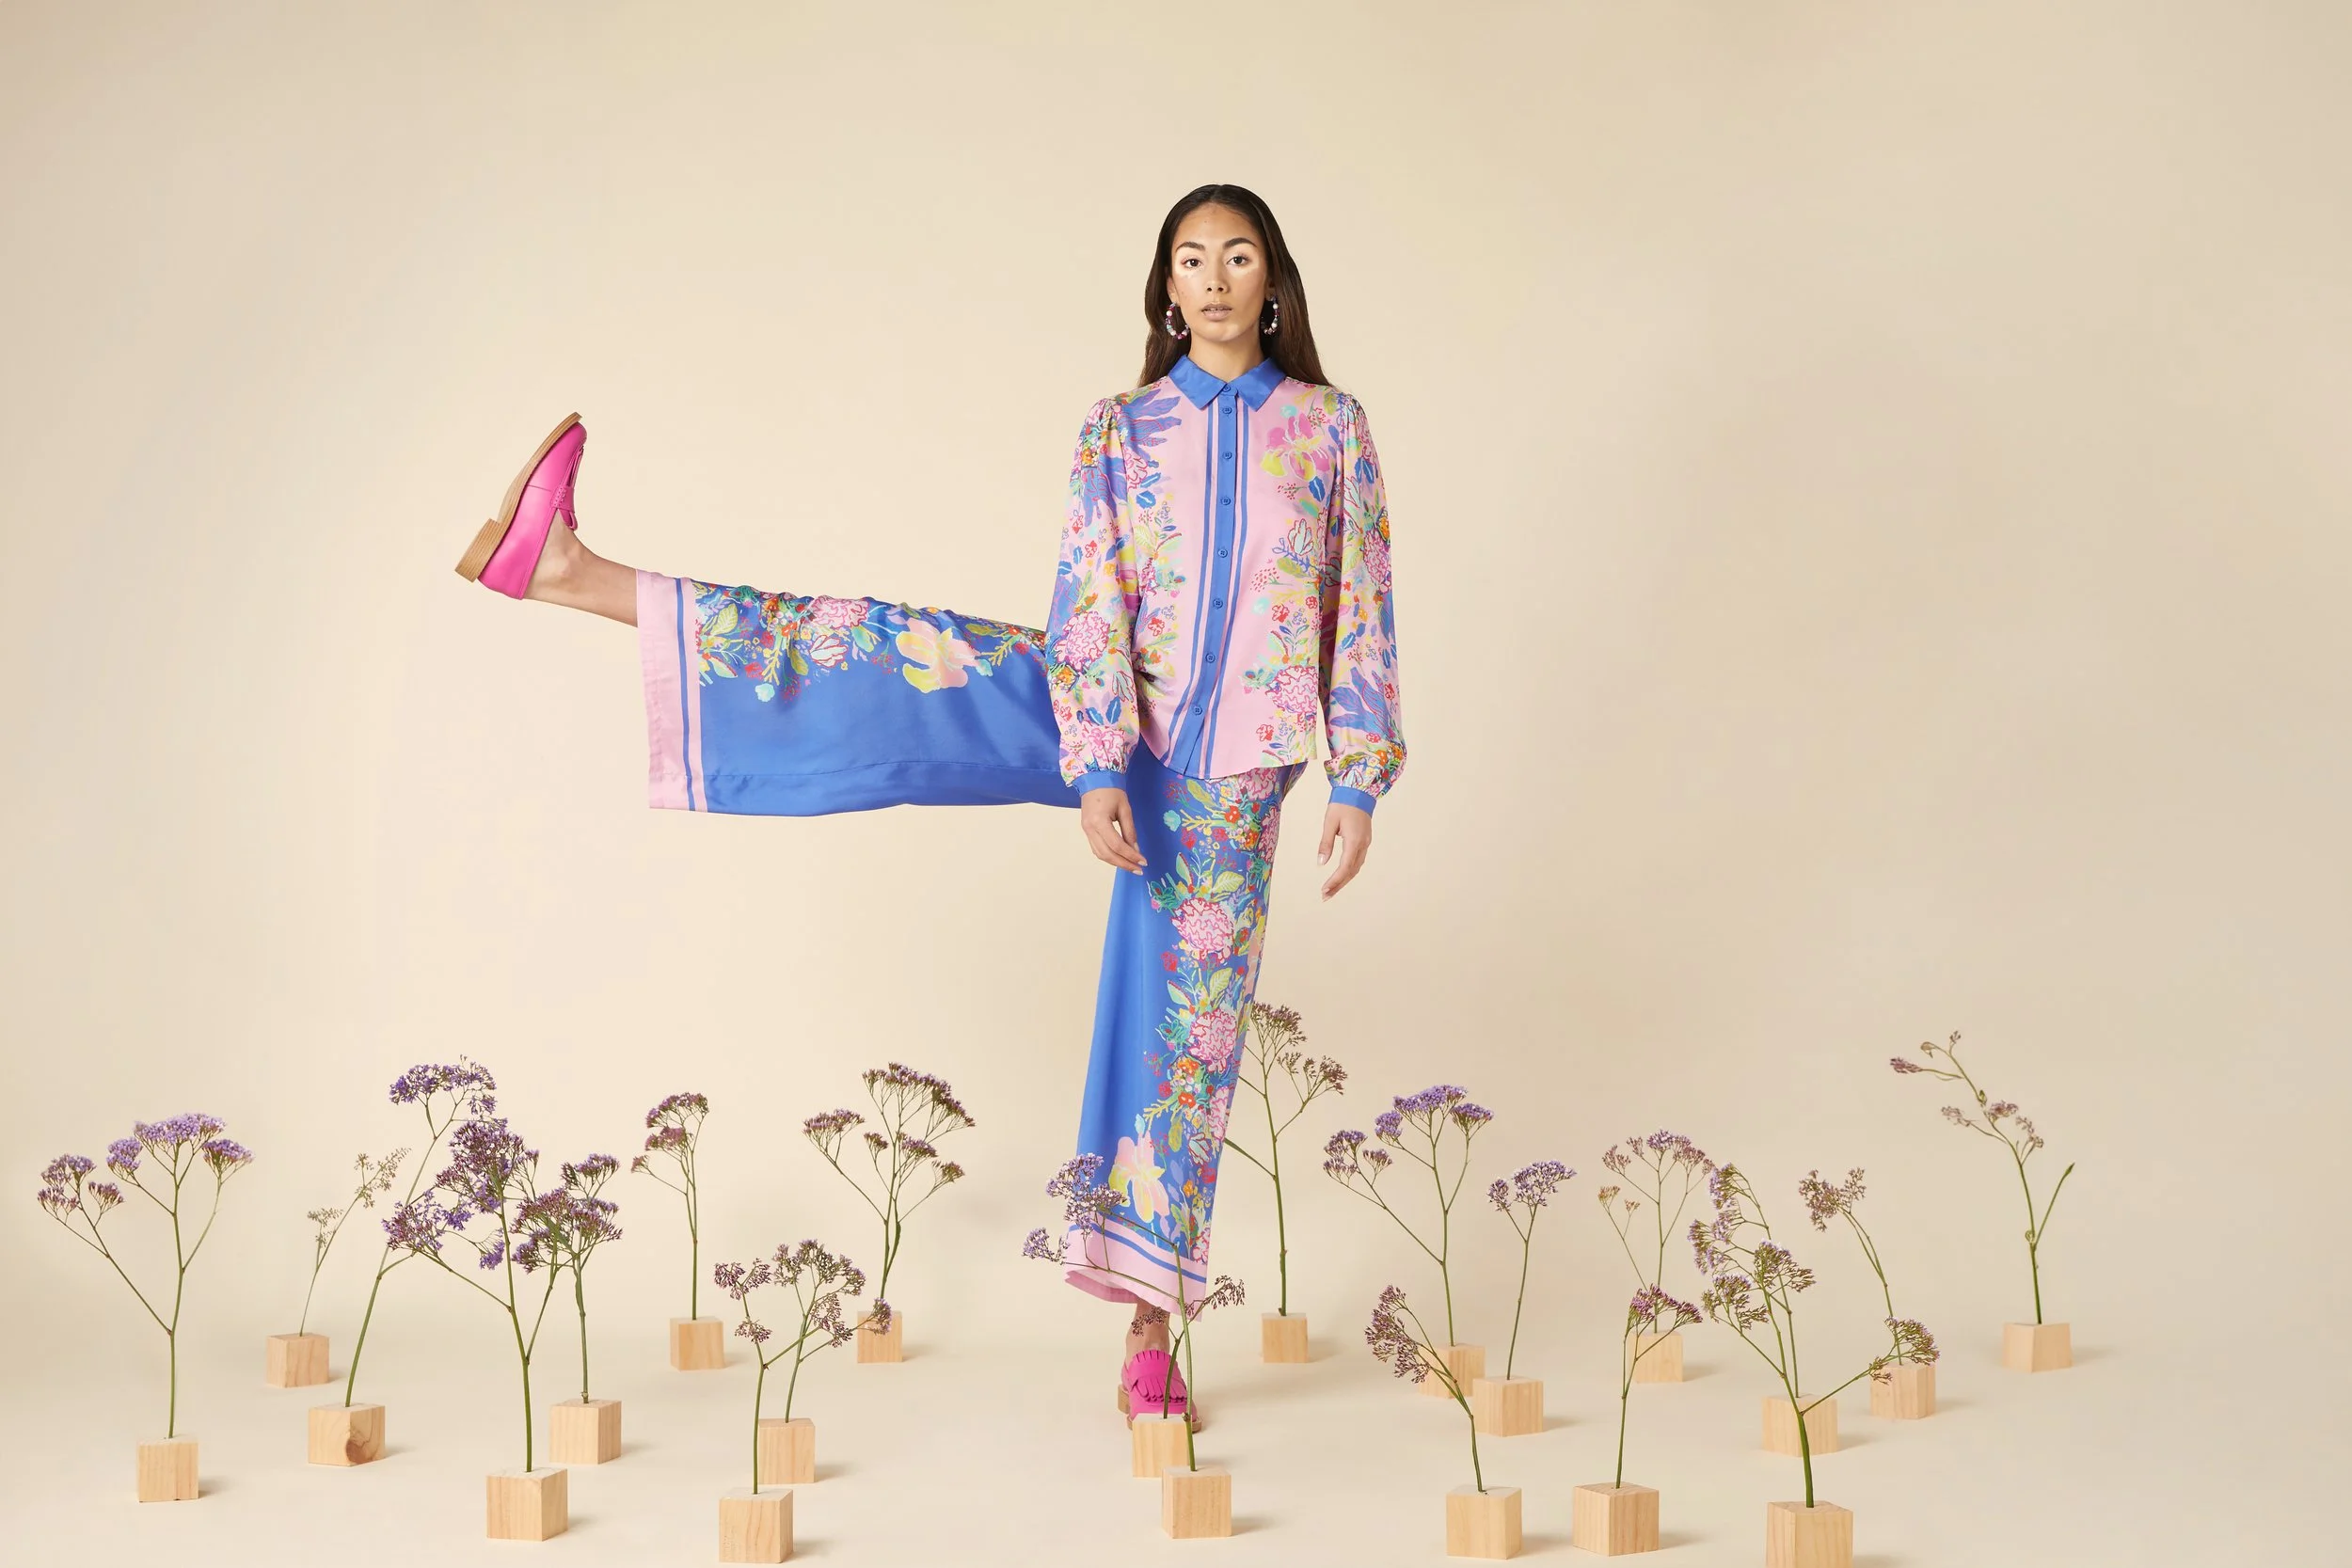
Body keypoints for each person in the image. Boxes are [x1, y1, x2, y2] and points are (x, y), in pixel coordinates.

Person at [453, 183, 1404, 1429]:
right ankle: (572, 571)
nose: (1216, 277)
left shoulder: (1332, 430)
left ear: (1272, 278)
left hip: (1234, 777)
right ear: (1164, 289)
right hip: (1103, 702)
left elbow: (1363, 599)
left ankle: (1152, 1327)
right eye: (1191, 258)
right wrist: (1101, 759)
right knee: (892, 653)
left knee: (1185, 1044)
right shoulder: (1121, 429)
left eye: (1238, 255)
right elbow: (1089, 593)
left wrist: (1357, 773)